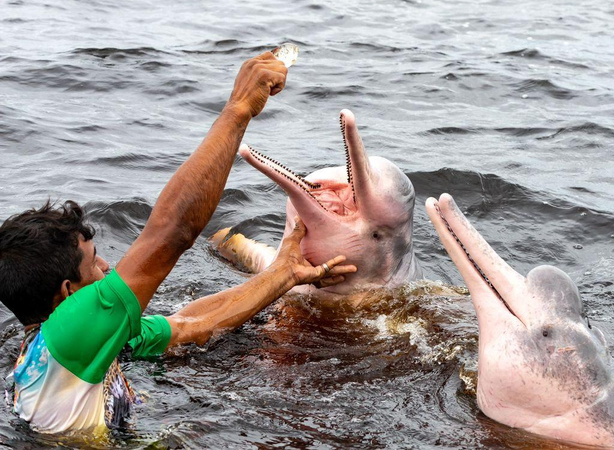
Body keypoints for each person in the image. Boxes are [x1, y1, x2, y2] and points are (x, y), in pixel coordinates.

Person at [0, 50, 357, 434]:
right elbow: (173, 233)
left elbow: (191, 325)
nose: (109, 268)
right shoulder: (67, 334)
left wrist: (283, 275)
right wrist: (238, 110)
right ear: (68, 294)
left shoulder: (83, 344)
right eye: (94, 263)